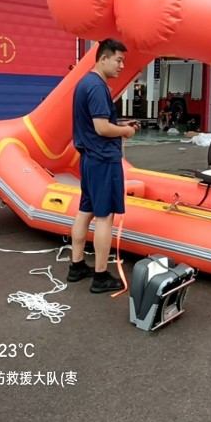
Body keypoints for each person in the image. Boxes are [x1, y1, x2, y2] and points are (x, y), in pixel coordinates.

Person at [68, 39, 140, 293]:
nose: (122, 66)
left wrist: (119, 124)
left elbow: (97, 123)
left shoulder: (84, 84)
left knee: (85, 211)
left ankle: (76, 265)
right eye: (118, 60)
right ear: (103, 58)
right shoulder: (98, 87)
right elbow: (101, 128)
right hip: (103, 160)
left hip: (89, 159)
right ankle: (100, 276)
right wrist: (126, 132)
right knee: (104, 217)